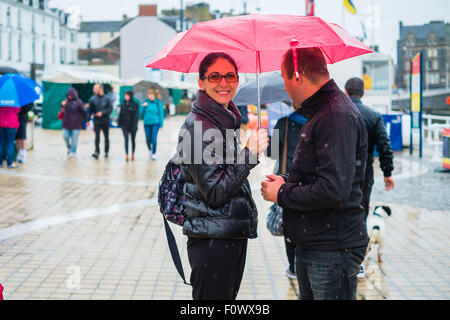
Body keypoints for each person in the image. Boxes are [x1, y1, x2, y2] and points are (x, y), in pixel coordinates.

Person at [260, 47, 369, 300]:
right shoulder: (323, 111)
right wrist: (286, 181)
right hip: (317, 243)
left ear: (296, 76)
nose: (285, 89)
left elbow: (333, 189)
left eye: (285, 80)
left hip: (332, 248)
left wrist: (283, 192)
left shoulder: (334, 115)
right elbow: (322, 177)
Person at [175, 52, 268, 300]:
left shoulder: (222, 121)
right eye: (215, 76)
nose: (223, 82)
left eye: (230, 76)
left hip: (223, 233)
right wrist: (249, 154)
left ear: (238, 80)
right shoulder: (199, 128)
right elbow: (215, 192)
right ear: (201, 82)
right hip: (212, 241)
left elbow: (224, 175)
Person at [344, 77, 395, 279]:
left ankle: (341, 256)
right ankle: (357, 262)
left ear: (346, 92)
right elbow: (384, 146)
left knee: (339, 213)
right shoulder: (374, 116)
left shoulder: (340, 114)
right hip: (364, 174)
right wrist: (388, 172)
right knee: (361, 213)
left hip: (339, 172)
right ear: (363, 93)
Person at [267, 106, 307, 280]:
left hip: (287, 181)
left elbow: (272, 153)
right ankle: (306, 263)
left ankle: (293, 267)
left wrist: (268, 139)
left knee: (289, 224)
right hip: (312, 183)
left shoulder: (284, 123)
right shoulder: (320, 121)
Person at [88, 84, 113, 159]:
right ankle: (97, 151)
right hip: (97, 121)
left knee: (106, 137)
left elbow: (110, 108)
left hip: (105, 121)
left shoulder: (107, 98)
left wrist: (102, 113)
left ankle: (106, 152)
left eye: (96, 88)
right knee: (97, 137)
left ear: (100, 89)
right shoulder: (92, 99)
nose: (94, 90)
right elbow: (90, 110)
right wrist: (87, 120)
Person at [61, 87, 86, 157]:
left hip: (76, 124)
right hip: (66, 123)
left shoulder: (78, 102)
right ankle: (69, 147)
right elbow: (62, 110)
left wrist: (86, 120)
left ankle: (73, 152)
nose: (69, 96)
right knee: (65, 136)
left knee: (74, 140)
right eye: (68, 95)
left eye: (70, 95)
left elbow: (83, 112)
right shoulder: (66, 102)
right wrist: (62, 105)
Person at [140, 88, 164, 160]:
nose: (150, 96)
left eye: (151, 94)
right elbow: (140, 114)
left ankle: (154, 153)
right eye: (149, 94)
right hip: (146, 123)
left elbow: (161, 113)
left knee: (154, 139)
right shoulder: (145, 102)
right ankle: (150, 150)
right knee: (147, 139)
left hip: (155, 123)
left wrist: (161, 124)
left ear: (154, 95)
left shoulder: (158, 103)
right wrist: (143, 107)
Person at [118, 90, 139, 161]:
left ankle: (133, 154)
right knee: (126, 139)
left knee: (133, 140)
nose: (125, 97)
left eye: (127, 95)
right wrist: (119, 124)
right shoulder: (123, 104)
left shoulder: (135, 104)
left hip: (133, 126)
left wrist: (134, 125)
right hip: (124, 126)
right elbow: (120, 114)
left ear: (130, 96)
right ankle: (126, 155)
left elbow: (136, 116)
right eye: (125, 95)